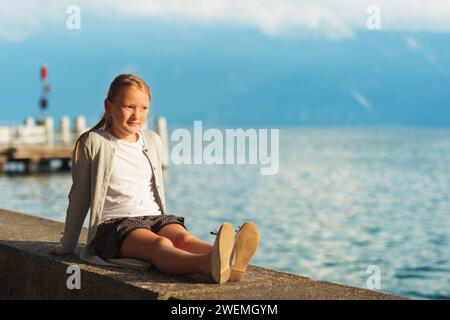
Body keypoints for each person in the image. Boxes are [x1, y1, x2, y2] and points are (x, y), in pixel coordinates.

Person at [48, 74, 259, 284]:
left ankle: (229, 259)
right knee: (160, 245)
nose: (136, 115)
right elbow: (79, 197)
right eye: (129, 107)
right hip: (115, 226)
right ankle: (207, 263)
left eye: (143, 108)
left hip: (155, 217)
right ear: (109, 106)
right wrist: (68, 245)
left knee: (182, 239)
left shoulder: (152, 140)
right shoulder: (93, 142)